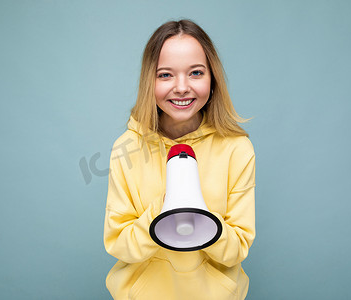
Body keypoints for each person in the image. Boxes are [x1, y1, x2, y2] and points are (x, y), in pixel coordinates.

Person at [104, 19, 256, 300]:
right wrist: (161, 212)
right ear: (149, 80)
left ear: (212, 79)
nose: (182, 87)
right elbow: (118, 243)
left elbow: (237, 248)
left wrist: (201, 217)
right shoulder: (125, 148)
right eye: (165, 75)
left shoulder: (237, 149)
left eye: (196, 72)